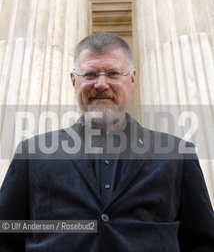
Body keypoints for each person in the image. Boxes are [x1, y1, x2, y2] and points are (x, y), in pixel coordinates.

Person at [0, 32, 214, 251]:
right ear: (74, 81)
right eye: (91, 74)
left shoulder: (178, 153)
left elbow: (201, 241)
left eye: (113, 73)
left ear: (132, 78)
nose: (101, 84)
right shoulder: (32, 153)